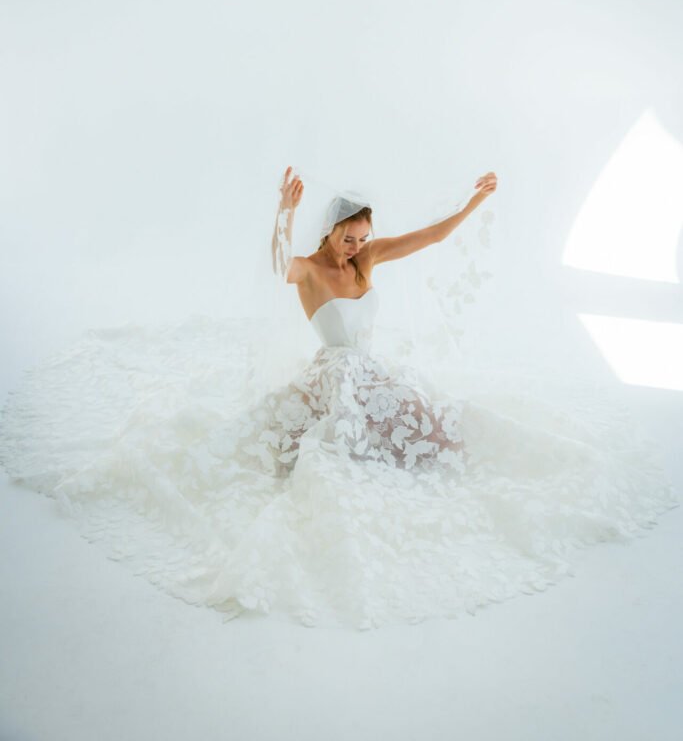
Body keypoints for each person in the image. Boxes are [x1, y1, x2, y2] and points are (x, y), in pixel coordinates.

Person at [0, 163, 678, 631]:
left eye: (362, 236)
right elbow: (272, 263)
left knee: (440, 433)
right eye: (348, 235)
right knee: (321, 457)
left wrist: (475, 201)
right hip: (333, 375)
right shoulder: (308, 269)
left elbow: (431, 236)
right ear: (327, 232)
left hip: (375, 372)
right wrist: (283, 210)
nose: (356, 245)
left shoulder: (368, 262)